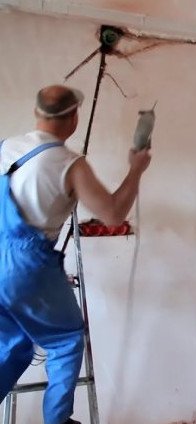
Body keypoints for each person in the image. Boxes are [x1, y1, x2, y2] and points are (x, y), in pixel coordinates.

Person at [0, 85, 152, 424]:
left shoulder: (7, 146)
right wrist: (136, 169)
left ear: (37, 113)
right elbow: (113, 214)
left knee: (13, 343)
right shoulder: (70, 164)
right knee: (66, 340)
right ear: (74, 118)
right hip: (28, 265)